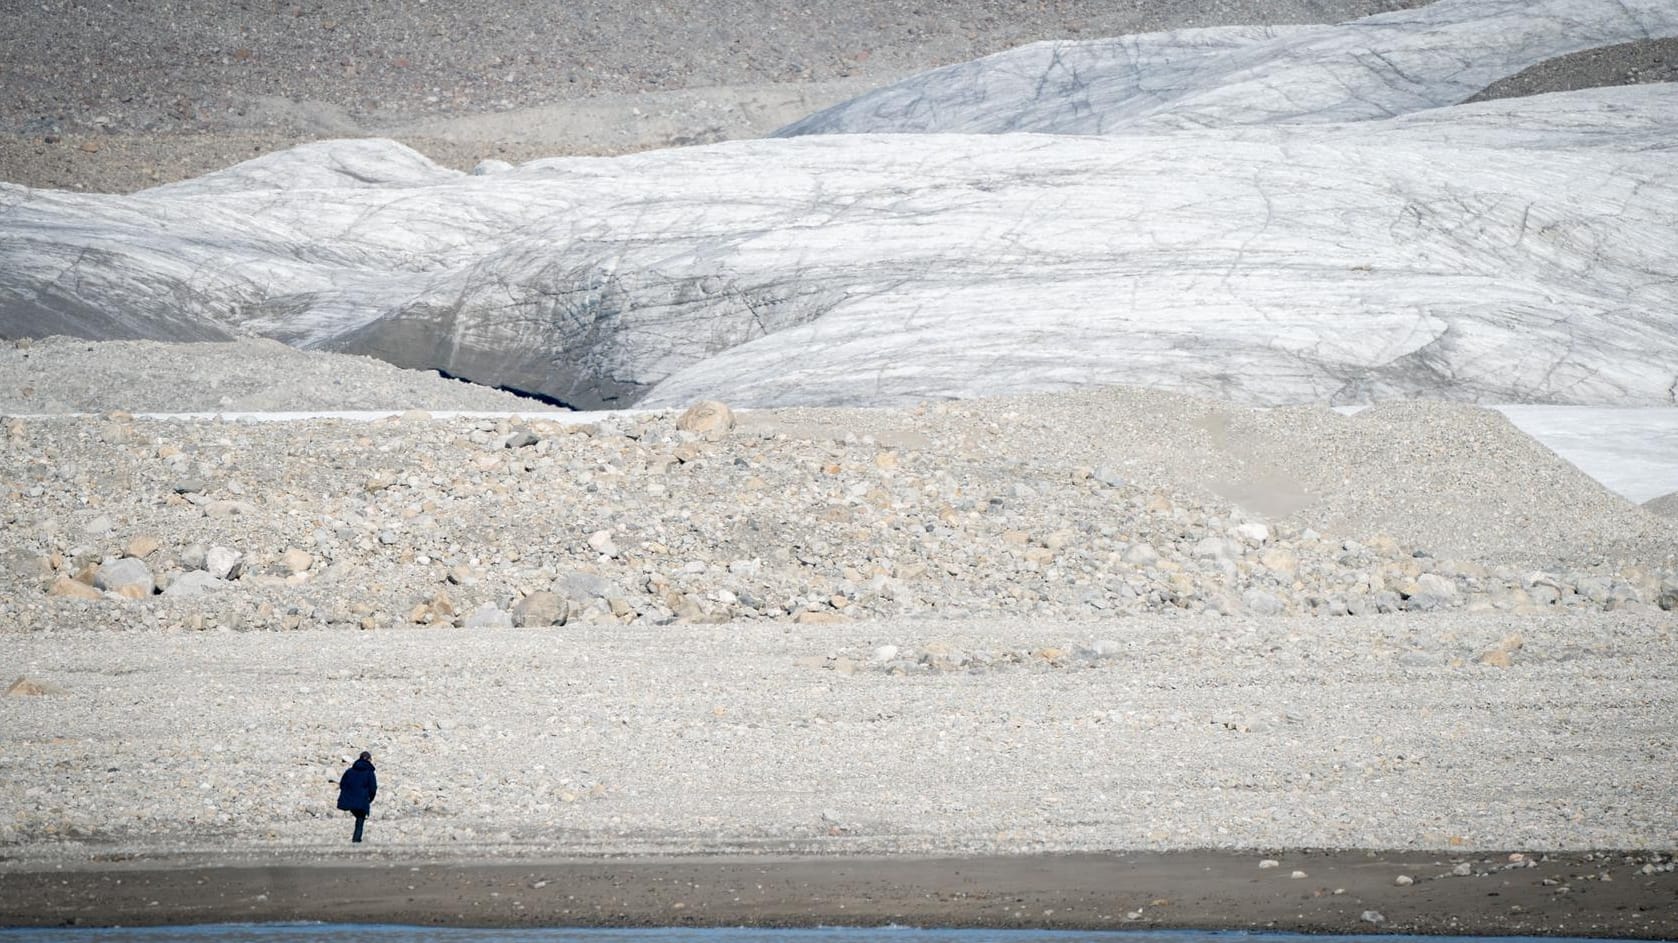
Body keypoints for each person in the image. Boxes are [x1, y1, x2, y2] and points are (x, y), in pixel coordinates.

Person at [335, 751, 378, 843]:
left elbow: (343, 784)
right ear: (369, 759)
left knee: (358, 816)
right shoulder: (369, 772)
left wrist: (347, 795)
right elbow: (373, 788)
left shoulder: (350, 771)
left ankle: (356, 840)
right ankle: (356, 840)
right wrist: (370, 799)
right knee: (360, 819)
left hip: (349, 800)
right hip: (362, 800)